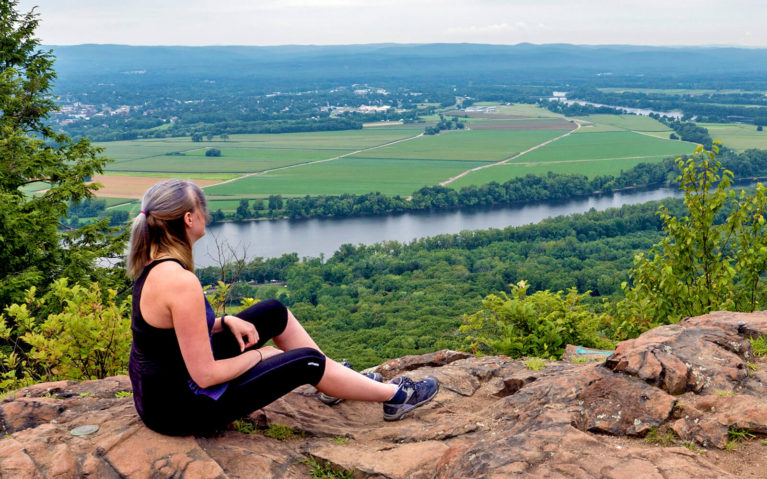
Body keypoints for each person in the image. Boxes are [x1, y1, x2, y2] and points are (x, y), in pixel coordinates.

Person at [126, 179, 439, 436]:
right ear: (188, 219)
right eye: (201, 208)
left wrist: (225, 321)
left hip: (163, 396)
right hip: (184, 409)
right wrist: (261, 355)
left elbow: (168, 336)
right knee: (306, 362)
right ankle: (397, 396)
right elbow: (206, 375)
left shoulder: (155, 264)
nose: (206, 216)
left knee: (272, 312)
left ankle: (336, 383)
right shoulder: (179, 281)